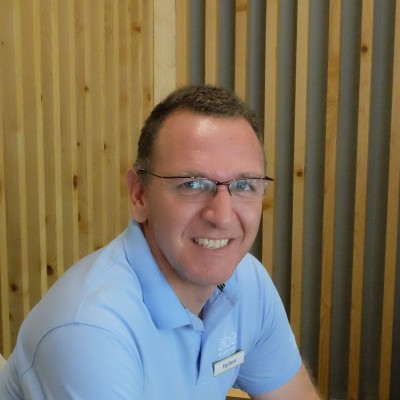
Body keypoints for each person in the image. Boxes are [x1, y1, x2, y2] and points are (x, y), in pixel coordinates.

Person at [0, 85, 320, 399]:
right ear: (139, 195)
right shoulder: (90, 332)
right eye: (193, 184)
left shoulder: (247, 280)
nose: (222, 217)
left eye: (244, 185)